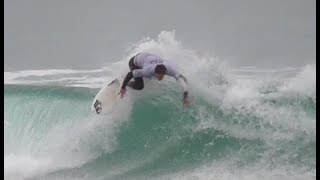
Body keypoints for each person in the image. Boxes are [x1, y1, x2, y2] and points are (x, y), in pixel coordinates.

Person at [119, 52, 190, 107]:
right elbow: (130, 74)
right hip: (134, 62)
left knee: (147, 78)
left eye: (162, 76)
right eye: (158, 76)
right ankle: (121, 81)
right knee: (140, 86)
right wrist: (123, 87)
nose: (160, 78)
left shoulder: (168, 69)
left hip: (146, 58)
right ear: (155, 73)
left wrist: (185, 95)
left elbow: (183, 79)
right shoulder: (147, 71)